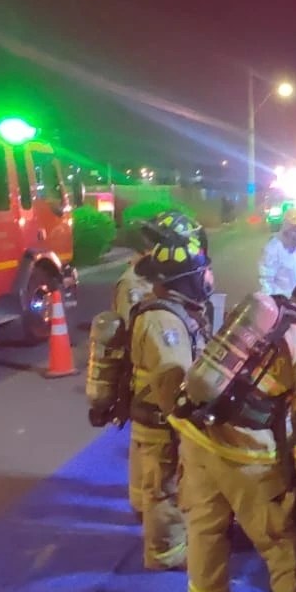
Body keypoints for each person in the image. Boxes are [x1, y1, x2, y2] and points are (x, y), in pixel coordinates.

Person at [169, 250, 296, 592]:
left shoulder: (263, 309)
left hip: (196, 436)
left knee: (205, 527)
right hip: (247, 454)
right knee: (279, 536)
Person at [129, 230, 214, 571]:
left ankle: (165, 540)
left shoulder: (175, 311)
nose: (207, 278)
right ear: (184, 280)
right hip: (161, 421)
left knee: (161, 483)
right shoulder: (163, 321)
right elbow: (173, 382)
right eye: (201, 272)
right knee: (164, 488)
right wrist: (192, 422)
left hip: (160, 418)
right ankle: (165, 554)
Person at [114, 211, 207, 517]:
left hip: (154, 398)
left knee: (152, 481)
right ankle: (157, 534)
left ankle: (145, 512)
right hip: (155, 401)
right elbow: (152, 345)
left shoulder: (167, 277)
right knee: (161, 487)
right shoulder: (144, 291)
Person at [259, 208, 296, 297]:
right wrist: (281, 300)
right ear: (287, 230)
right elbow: (266, 282)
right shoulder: (273, 249)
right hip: (286, 301)